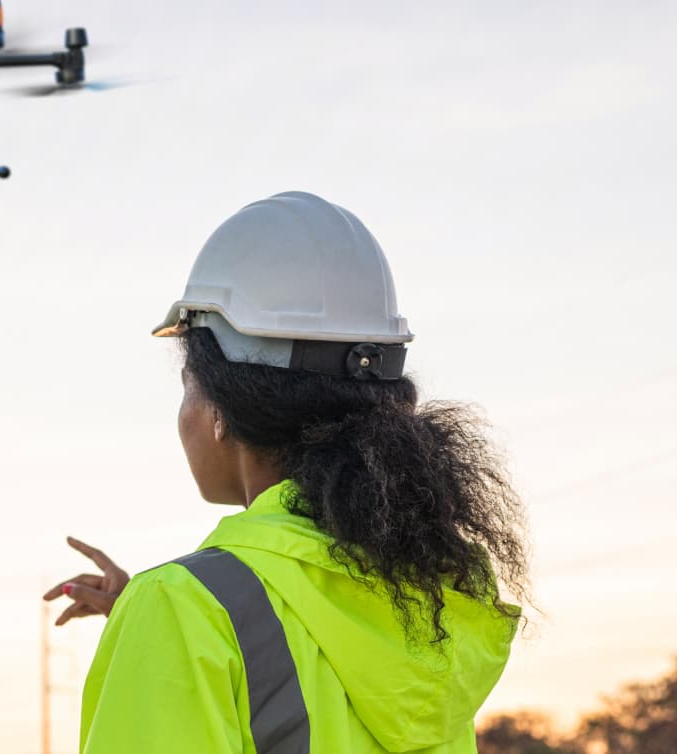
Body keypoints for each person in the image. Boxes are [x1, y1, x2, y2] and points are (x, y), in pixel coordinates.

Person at [45, 191, 529, 754]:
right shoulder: (424, 597)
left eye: (188, 390)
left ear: (223, 411)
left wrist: (166, 624)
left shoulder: (183, 609)